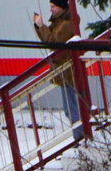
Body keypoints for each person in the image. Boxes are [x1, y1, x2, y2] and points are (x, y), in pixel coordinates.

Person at [33, 0, 83, 129]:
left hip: (68, 71)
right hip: (65, 71)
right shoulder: (59, 22)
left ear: (61, 7)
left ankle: (81, 136)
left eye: (53, 6)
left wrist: (41, 26)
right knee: (73, 108)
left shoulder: (66, 23)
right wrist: (40, 27)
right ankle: (81, 135)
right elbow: (48, 38)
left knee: (71, 110)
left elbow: (53, 42)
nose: (51, 9)